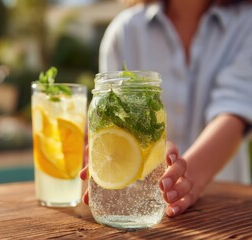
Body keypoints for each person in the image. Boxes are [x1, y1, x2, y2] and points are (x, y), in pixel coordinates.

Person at [80, 0, 252, 217]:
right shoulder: (125, 31)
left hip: (226, 210)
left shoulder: (247, 22)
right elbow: (113, 120)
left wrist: (185, 178)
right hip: (139, 209)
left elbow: (236, 110)